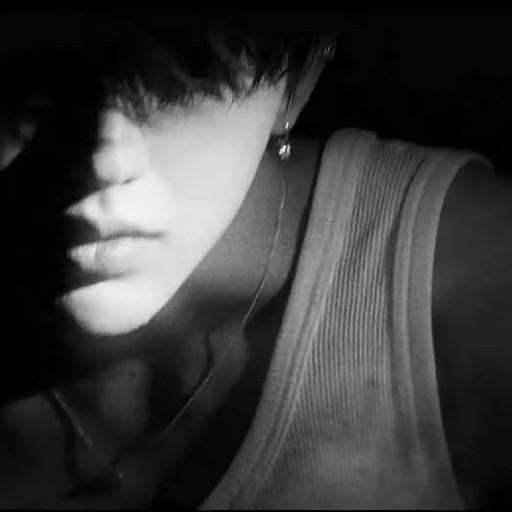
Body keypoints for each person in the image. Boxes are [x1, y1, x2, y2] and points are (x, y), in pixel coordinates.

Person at [0, 7, 510, 509]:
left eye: (190, 74)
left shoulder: (464, 283)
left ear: (297, 84)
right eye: (36, 79)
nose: (104, 158)